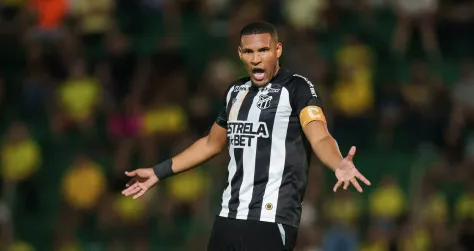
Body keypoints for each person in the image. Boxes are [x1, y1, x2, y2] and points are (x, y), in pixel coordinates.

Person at [122, 21, 371, 250]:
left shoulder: (297, 88)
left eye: (263, 50)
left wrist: (338, 162)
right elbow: (211, 143)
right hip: (228, 217)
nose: (256, 59)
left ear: (278, 50)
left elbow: (320, 137)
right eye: (249, 52)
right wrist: (158, 172)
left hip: (271, 218)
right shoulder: (235, 92)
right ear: (240, 53)